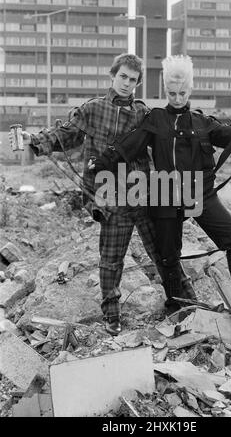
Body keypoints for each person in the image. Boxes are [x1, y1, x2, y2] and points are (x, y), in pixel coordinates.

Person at [8, 53, 196, 336]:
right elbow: (66, 134)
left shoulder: (143, 113)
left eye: (132, 80)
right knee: (111, 259)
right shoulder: (93, 109)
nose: (126, 83)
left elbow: (167, 138)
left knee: (164, 252)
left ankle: (188, 303)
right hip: (110, 197)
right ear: (113, 75)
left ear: (137, 83)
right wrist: (33, 140)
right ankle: (112, 317)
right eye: (122, 77)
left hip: (144, 193)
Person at [92, 55, 231, 310]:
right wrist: (101, 162)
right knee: (168, 256)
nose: (177, 98)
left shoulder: (202, 122)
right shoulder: (155, 119)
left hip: (200, 192)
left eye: (182, 93)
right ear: (165, 90)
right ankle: (176, 304)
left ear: (190, 90)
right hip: (165, 192)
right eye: (172, 93)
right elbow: (130, 144)